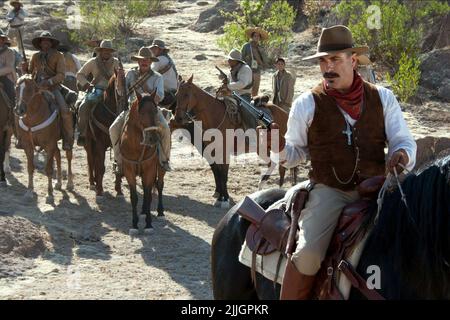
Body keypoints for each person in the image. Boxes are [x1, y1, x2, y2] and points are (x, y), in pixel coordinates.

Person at [265, 25, 417, 299]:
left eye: (335, 59)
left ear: (353, 60)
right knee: (310, 254)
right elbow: (294, 154)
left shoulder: (383, 98)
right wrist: (278, 150)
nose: (327, 67)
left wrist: (403, 155)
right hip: (329, 191)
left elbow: (404, 141)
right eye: (323, 60)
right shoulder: (306, 104)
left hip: (379, 191)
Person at [109, 47, 171, 173]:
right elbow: (121, 93)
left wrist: (145, 87)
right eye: (142, 59)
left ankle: (164, 160)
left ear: (150, 62)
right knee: (113, 128)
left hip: (151, 110)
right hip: (132, 109)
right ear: (138, 61)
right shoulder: (130, 74)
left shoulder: (157, 77)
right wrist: (120, 80)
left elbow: (158, 97)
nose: (144, 62)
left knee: (165, 128)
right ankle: (118, 161)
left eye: (147, 60)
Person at [23, 31, 74, 151]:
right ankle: (21, 137)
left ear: (51, 43)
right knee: (21, 105)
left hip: (53, 88)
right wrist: (25, 70)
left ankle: (68, 138)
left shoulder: (58, 55)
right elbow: (30, 73)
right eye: (43, 40)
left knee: (65, 110)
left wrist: (50, 81)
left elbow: (61, 75)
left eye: (48, 40)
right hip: (37, 88)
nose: (45, 42)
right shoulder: (35, 56)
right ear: (40, 43)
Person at [76, 40, 120, 146]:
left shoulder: (116, 62)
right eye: (104, 50)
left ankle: (121, 135)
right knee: (83, 107)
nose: (106, 52)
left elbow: (122, 77)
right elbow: (80, 74)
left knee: (125, 108)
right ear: (100, 51)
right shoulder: (92, 62)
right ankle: (82, 133)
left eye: (109, 50)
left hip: (112, 91)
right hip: (96, 89)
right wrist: (87, 84)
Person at [241, 27, 270, 97]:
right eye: (255, 36)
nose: (256, 38)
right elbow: (241, 58)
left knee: (255, 90)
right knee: (246, 89)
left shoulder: (261, 48)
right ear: (252, 37)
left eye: (258, 36)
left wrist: (259, 55)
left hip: (257, 71)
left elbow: (265, 61)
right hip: (247, 71)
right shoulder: (246, 46)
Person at [149, 39, 178, 107]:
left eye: (155, 48)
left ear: (160, 50)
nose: (152, 50)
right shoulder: (167, 58)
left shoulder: (159, 60)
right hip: (174, 93)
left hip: (166, 95)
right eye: (152, 49)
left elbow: (148, 74)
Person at [0, 31, 17, 108]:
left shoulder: (9, 52)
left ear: (3, 40)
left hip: (6, 77)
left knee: (11, 94)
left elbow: (9, 67)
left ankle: (14, 112)